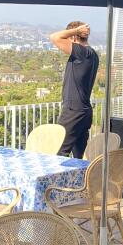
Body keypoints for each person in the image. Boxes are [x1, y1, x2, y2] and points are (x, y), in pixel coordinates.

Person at [50, 21, 99, 158]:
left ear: (74, 37)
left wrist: (75, 30)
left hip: (73, 111)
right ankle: (81, 180)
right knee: (78, 157)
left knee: (58, 153)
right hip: (84, 110)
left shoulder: (82, 52)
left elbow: (55, 37)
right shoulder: (92, 54)